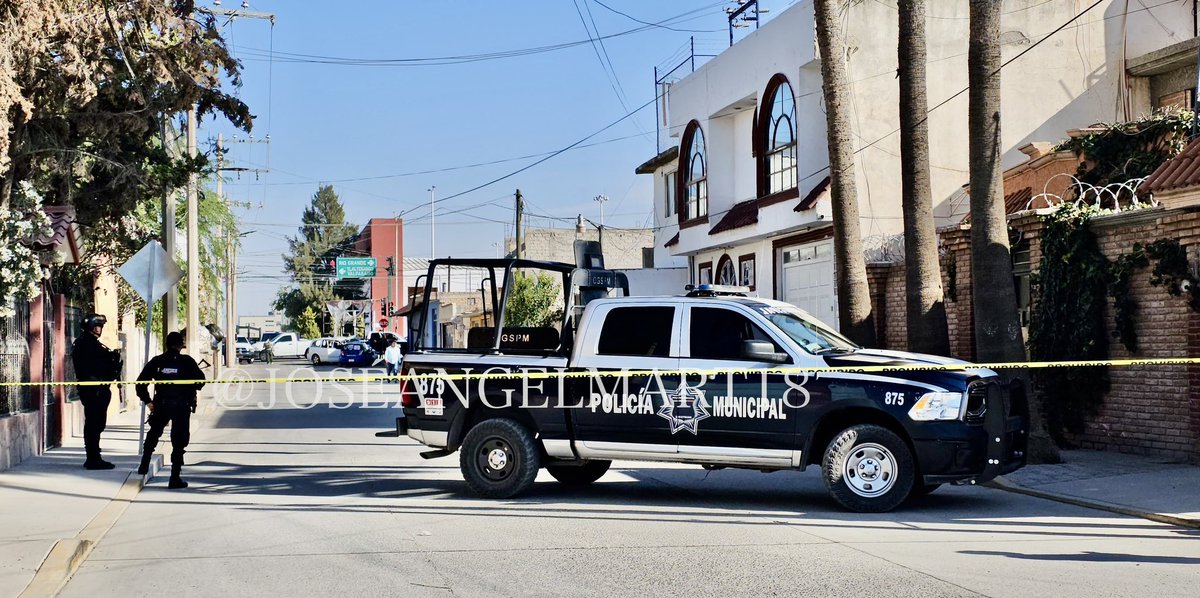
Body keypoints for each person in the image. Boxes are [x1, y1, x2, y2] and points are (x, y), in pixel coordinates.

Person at [136, 331, 206, 489]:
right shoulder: (187, 361)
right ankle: (174, 477)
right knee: (179, 442)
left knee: (153, 434)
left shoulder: (158, 361)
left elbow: (140, 383)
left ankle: (143, 466)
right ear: (181, 345)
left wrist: (148, 402)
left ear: (167, 344)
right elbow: (201, 382)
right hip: (181, 407)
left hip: (161, 405)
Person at [72, 313, 122, 470]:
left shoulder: (89, 343)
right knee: (94, 424)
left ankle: (94, 457)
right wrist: (111, 360)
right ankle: (93, 458)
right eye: (99, 325)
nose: (100, 329)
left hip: (97, 389)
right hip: (94, 390)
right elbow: (97, 366)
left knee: (96, 424)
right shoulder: (87, 344)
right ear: (93, 327)